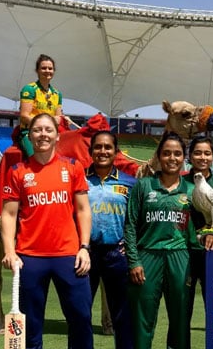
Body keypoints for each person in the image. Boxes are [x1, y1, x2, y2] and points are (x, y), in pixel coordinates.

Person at [0, 113, 93, 349]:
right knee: (30, 327)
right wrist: (10, 252)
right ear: (30, 136)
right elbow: (8, 214)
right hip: (29, 258)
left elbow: (83, 210)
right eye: (37, 130)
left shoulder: (73, 167)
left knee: (81, 320)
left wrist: (84, 247)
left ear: (57, 136)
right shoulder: (18, 171)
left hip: (69, 256)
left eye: (48, 130)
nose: (43, 134)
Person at [124, 132, 196, 349]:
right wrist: (134, 261)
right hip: (147, 256)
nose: (172, 158)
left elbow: (203, 227)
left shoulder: (192, 190)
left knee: (180, 319)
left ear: (184, 157)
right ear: (159, 156)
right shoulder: (143, 186)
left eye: (177, 154)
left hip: (179, 257)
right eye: (166, 153)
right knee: (143, 320)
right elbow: (130, 226)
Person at [86, 131, 136, 349]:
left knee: (122, 317)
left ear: (116, 152)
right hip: (86, 254)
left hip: (117, 254)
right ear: (91, 151)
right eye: (98, 147)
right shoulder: (79, 179)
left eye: (108, 147)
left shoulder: (129, 182)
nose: (103, 151)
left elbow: (137, 219)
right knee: (79, 314)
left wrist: (130, 244)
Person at [181, 136, 213, 334]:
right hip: (185, 253)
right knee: (182, 310)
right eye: (197, 152)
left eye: (207, 153)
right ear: (190, 156)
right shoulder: (180, 182)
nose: (202, 157)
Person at [18, 54, 64, 157]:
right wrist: (41, 127)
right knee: (36, 158)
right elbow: (24, 116)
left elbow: (58, 117)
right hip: (31, 132)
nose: (47, 71)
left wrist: (52, 124)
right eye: (43, 68)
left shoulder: (57, 94)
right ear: (37, 70)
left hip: (49, 134)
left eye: (50, 68)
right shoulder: (30, 89)